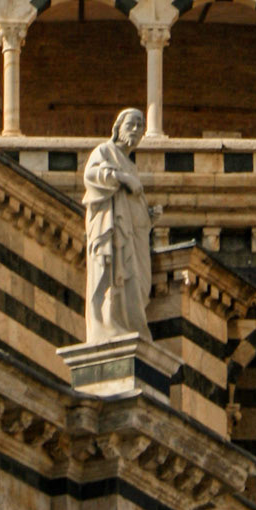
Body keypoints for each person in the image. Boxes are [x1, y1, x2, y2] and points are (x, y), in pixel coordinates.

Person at [82, 107, 155, 342]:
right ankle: (109, 323)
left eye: (140, 126)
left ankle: (128, 324)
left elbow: (133, 207)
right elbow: (90, 175)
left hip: (130, 235)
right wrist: (121, 178)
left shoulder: (131, 165)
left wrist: (148, 216)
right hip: (111, 229)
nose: (136, 129)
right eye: (130, 124)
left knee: (136, 281)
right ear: (117, 128)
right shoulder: (105, 151)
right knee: (112, 274)